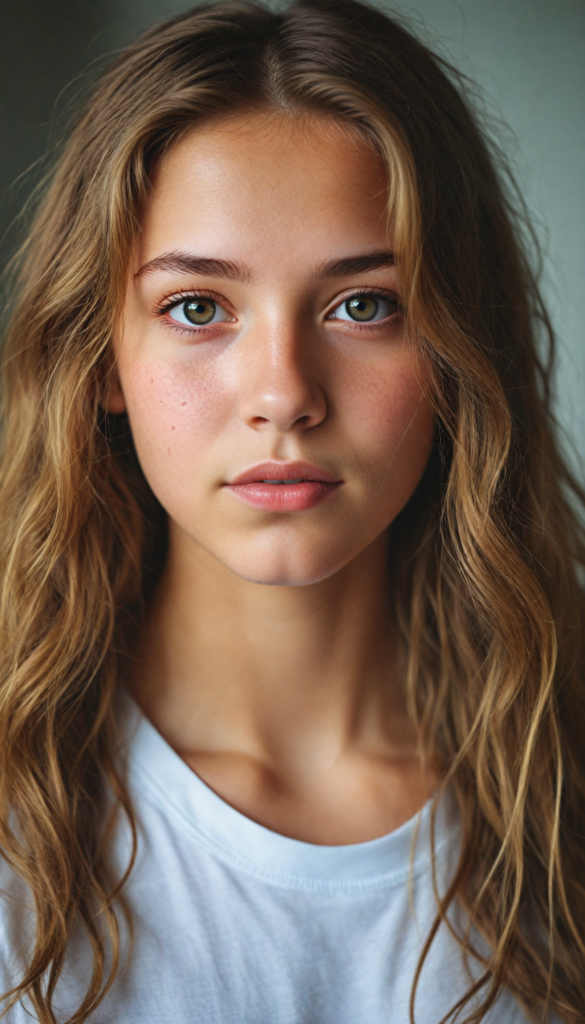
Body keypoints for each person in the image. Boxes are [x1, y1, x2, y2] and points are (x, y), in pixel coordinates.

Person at [0, 1, 583, 1021]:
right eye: (197, 307)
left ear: (458, 350)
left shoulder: (562, 797)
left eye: (364, 305)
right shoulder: (18, 824)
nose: (284, 394)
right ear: (102, 360)